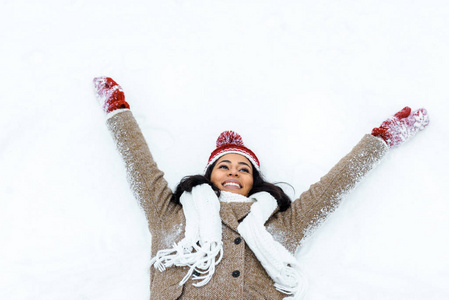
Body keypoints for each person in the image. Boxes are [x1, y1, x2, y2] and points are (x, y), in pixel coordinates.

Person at [93, 77, 429, 300]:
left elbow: (332, 186)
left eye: (244, 169)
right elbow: (140, 167)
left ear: (255, 181)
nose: (233, 172)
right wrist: (117, 110)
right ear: (209, 176)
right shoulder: (173, 215)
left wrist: (380, 140)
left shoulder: (277, 225)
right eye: (223, 166)